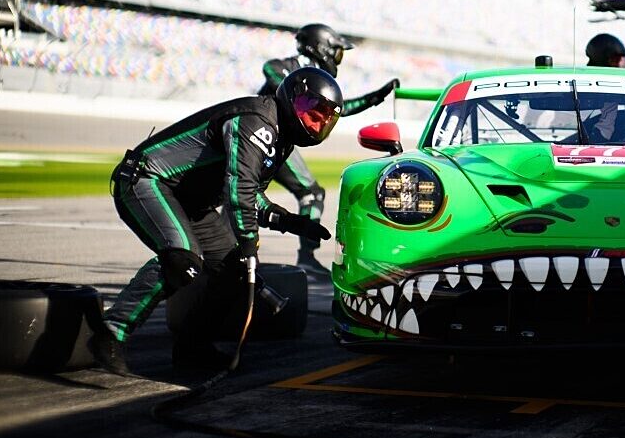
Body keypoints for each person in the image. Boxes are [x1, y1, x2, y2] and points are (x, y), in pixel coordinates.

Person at [89, 67, 342, 376]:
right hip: (147, 180)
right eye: (311, 112)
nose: (315, 123)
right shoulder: (257, 120)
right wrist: (249, 241)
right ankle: (110, 332)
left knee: (234, 268)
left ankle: (192, 349)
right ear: (292, 98)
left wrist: (289, 221)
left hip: (191, 200)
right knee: (182, 259)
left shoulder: (281, 138)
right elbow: (240, 188)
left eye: (324, 119)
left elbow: (248, 194)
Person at [259, 23, 399, 276]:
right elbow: (270, 68)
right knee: (309, 193)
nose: (338, 59)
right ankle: (305, 257)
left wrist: (374, 97)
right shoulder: (288, 68)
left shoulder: (312, 76)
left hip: (276, 142)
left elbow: (335, 108)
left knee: (254, 193)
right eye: (336, 52)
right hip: (267, 138)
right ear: (321, 47)